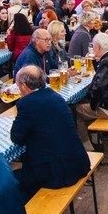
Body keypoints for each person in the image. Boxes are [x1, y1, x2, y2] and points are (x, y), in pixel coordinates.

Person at [10, 65, 90, 197]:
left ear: (24, 86)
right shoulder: (55, 95)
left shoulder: (26, 104)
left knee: (13, 183)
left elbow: (16, 137)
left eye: (18, 85)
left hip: (56, 173)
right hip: (78, 163)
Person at [75, 31, 108, 124]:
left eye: (93, 46)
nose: (92, 49)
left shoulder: (107, 62)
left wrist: (93, 106)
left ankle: (84, 139)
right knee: (85, 102)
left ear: (98, 47)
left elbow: (98, 88)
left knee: (76, 110)